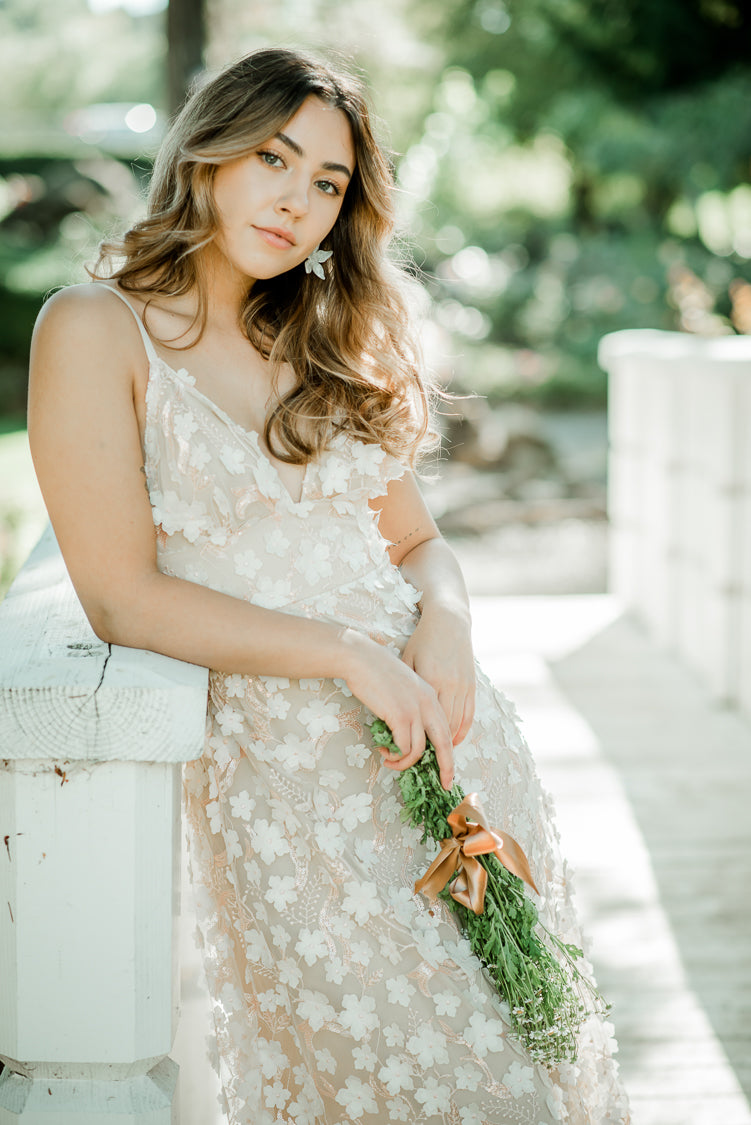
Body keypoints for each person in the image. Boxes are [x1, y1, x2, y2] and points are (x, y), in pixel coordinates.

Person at [28, 46, 630, 1125]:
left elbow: (417, 544)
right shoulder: (93, 328)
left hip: (445, 735)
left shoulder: (325, 331)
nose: (297, 202)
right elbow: (119, 595)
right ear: (207, 154)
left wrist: (442, 625)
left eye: (327, 184)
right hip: (289, 782)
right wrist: (345, 654)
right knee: (399, 1075)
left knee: (521, 1056)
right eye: (273, 157)